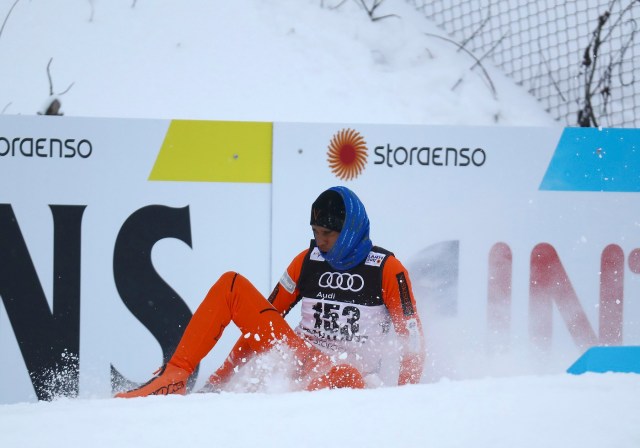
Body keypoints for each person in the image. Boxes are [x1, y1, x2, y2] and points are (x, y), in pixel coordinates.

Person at [115, 186, 424, 397]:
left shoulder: (386, 269)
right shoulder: (306, 261)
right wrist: (219, 382)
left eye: (327, 233)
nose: (320, 242)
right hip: (302, 358)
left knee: (345, 375)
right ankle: (174, 377)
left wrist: (402, 400)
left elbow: (412, 340)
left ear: (350, 229)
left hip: (352, 374)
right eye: (315, 233)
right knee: (231, 285)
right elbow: (264, 319)